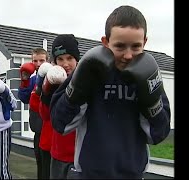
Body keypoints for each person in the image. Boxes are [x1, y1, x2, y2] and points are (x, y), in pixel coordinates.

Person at [50, 5, 171, 179]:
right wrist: (77, 89)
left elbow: (158, 134)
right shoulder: (90, 71)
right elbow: (60, 124)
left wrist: (150, 101)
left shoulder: (149, 74)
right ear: (105, 42)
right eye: (120, 46)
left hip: (133, 175)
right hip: (89, 175)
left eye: (136, 47)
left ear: (144, 42)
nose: (128, 55)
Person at [39, 34, 80, 179]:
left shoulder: (84, 82)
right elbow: (45, 116)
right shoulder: (53, 83)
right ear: (54, 61)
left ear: (77, 59)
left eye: (70, 58)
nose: (65, 64)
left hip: (79, 156)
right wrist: (45, 91)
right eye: (60, 59)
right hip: (57, 152)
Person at [18, 48, 48, 179]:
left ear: (48, 61)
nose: (38, 64)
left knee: (50, 167)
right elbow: (24, 98)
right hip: (37, 129)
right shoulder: (33, 79)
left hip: (51, 129)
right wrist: (24, 80)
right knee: (40, 165)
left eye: (42, 60)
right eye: (35, 60)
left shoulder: (54, 76)